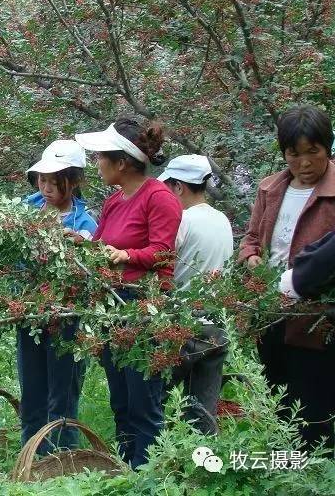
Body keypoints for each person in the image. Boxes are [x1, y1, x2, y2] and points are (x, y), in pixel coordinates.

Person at [76, 119, 182, 469]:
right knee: (121, 397)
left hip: (145, 306)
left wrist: (128, 256)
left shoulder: (159, 197)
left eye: (100, 157)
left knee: (144, 400)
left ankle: (149, 475)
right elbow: (100, 245)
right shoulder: (114, 202)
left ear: (121, 162)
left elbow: (163, 252)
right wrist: (79, 245)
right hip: (114, 307)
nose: (96, 164)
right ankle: (126, 470)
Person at [238, 104, 335, 450]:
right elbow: (251, 238)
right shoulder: (270, 190)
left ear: (328, 148)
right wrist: (251, 258)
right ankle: (285, 470)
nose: (304, 163)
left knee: (314, 407)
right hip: (271, 314)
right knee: (277, 399)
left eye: (314, 152)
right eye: (294, 155)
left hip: (316, 321)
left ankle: (315, 474)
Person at [17, 140, 98, 454]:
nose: (47, 187)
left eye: (55, 181)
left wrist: (78, 246)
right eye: (43, 179)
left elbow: (93, 272)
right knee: (32, 394)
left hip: (67, 320)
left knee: (62, 398)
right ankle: (31, 466)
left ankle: (63, 466)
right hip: (28, 314)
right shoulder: (25, 209)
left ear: (73, 181)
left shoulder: (85, 225)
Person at [159, 154, 233, 431]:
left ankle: (146, 461)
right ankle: (204, 466)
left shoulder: (182, 219)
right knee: (203, 409)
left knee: (151, 397)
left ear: (179, 187)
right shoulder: (222, 219)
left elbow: (163, 262)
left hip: (184, 322)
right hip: (217, 323)